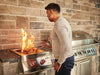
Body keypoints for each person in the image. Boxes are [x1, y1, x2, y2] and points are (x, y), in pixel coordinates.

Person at [45, 3, 74, 75]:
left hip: (64, 61)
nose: (47, 16)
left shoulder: (59, 24)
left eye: (47, 13)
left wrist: (59, 62)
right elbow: (60, 42)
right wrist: (50, 45)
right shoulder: (61, 21)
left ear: (51, 11)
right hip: (64, 59)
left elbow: (66, 47)